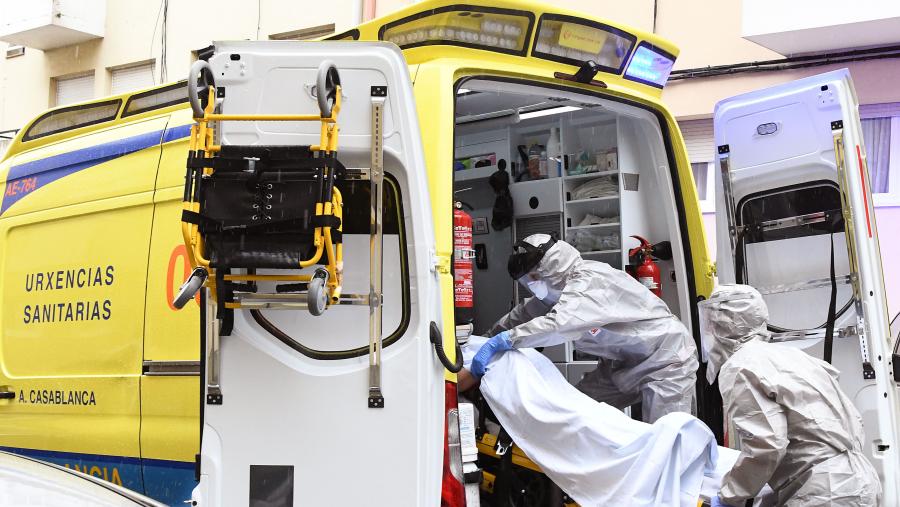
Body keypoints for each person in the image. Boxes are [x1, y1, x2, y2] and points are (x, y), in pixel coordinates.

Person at [469, 233, 698, 423]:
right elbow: (520, 316)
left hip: (666, 361)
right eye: (527, 281)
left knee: (667, 440)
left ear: (551, 267)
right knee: (574, 413)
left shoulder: (590, 280)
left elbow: (559, 324)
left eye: (533, 277)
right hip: (622, 366)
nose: (531, 285)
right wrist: (481, 341)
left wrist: (504, 341)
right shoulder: (554, 293)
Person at [700, 284, 882, 507]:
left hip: (825, 492)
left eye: (711, 321)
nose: (708, 328)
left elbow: (766, 443)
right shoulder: (793, 356)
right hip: (859, 480)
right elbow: (850, 418)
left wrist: (729, 496)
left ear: (722, 324)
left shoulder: (740, 366)